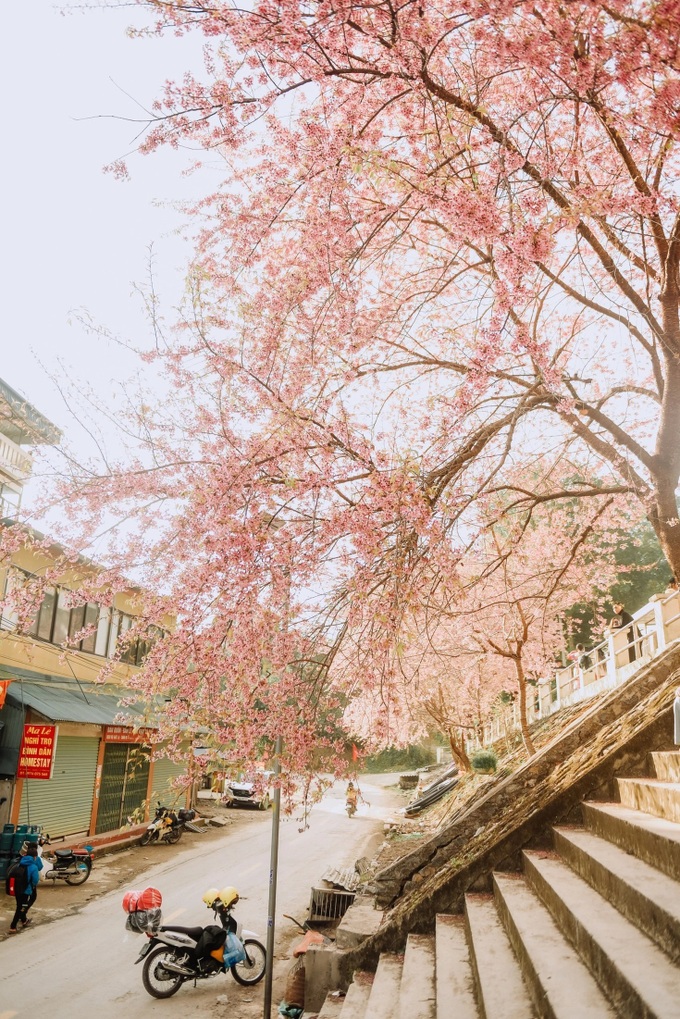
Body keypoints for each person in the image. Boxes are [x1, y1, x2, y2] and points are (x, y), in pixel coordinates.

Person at [8, 841, 43, 933]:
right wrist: (32, 886)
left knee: (20, 905)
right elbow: (35, 880)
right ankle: (13, 926)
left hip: (17, 888)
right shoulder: (33, 867)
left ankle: (24, 920)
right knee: (20, 908)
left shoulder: (21, 862)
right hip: (25, 890)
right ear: (35, 856)